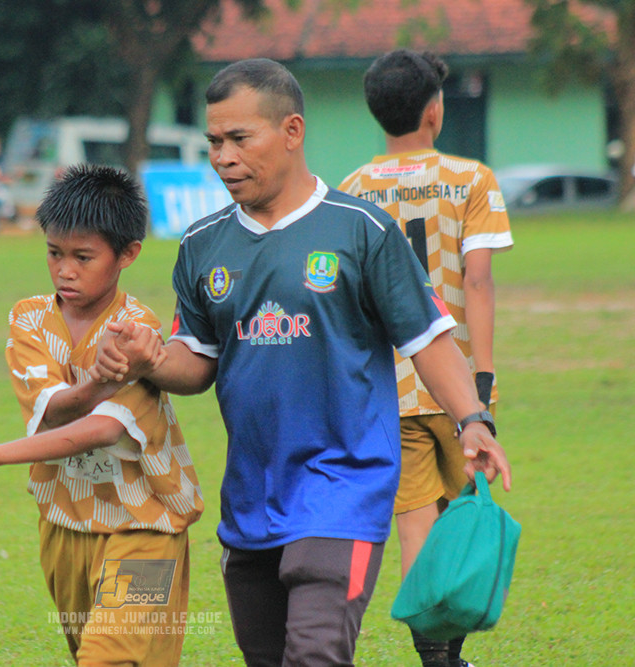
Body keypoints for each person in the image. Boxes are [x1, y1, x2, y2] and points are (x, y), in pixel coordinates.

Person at [93, 58, 512, 667]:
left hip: (346, 484)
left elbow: (427, 339)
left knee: (315, 654)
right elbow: (195, 361)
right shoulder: (202, 244)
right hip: (252, 496)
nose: (222, 156)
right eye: (214, 141)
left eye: (240, 138)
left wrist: (473, 418)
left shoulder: (361, 230)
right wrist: (148, 359)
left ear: (292, 131)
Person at [0, 164, 204, 666]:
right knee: (91, 652)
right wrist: (104, 380)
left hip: (148, 528)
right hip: (64, 523)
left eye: (84, 257)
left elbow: (100, 429)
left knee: (107, 660)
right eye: (54, 253)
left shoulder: (137, 328)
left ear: (127, 254)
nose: (65, 270)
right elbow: (56, 412)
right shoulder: (29, 318)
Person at [338, 49, 514, 667]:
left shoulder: (352, 190)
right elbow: (478, 281)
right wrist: (482, 387)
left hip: (391, 385)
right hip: (457, 383)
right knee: (462, 513)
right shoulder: (472, 179)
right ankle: (453, 653)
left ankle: (434, 658)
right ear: (435, 111)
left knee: (415, 524)